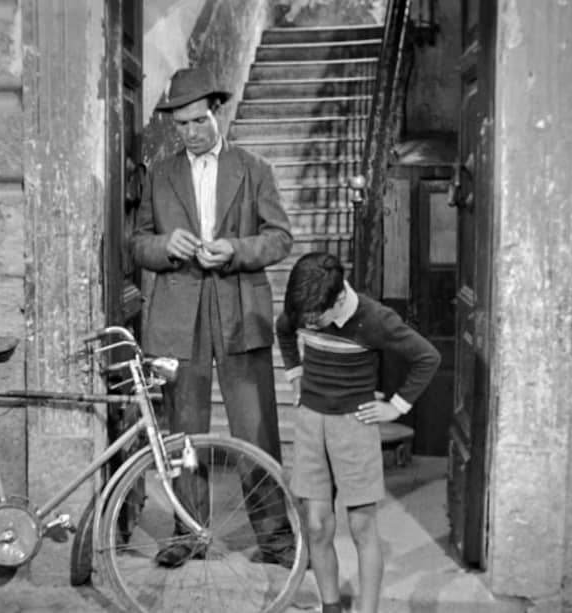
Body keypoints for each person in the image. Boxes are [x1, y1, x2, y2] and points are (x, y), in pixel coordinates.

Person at [130, 66, 294, 568]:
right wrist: (163, 246)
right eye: (181, 125)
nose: (191, 133)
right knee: (183, 433)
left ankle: (276, 539)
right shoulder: (161, 174)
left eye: (199, 121)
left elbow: (281, 237)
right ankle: (189, 532)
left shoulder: (254, 169)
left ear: (217, 113)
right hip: (179, 319)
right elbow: (137, 242)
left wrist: (236, 248)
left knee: (257, 431)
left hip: (240, 313)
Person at [275, 252, 441, 613]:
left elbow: (427, 357)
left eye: (314, 320)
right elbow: (284, 329)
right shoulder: (305, 306)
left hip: (354, 426)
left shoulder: (375, 319)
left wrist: (396, 407)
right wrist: (295, 374)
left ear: (337, 301)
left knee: (362, 525)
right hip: (310, 424)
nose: (309, 324)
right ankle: (331, 607)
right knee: (317, 526)